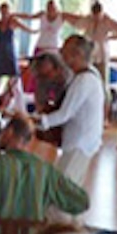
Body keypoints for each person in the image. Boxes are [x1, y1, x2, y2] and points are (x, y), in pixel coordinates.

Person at [37, 35, 104, 187]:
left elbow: (65, 114)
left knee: (61, 192)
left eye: (65, 51)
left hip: (79, 144)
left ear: (77, 55)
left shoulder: (84, 80)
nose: (61, 53)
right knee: (64, 190)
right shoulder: (84, 75)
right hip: (78, 142)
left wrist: (37, 122)